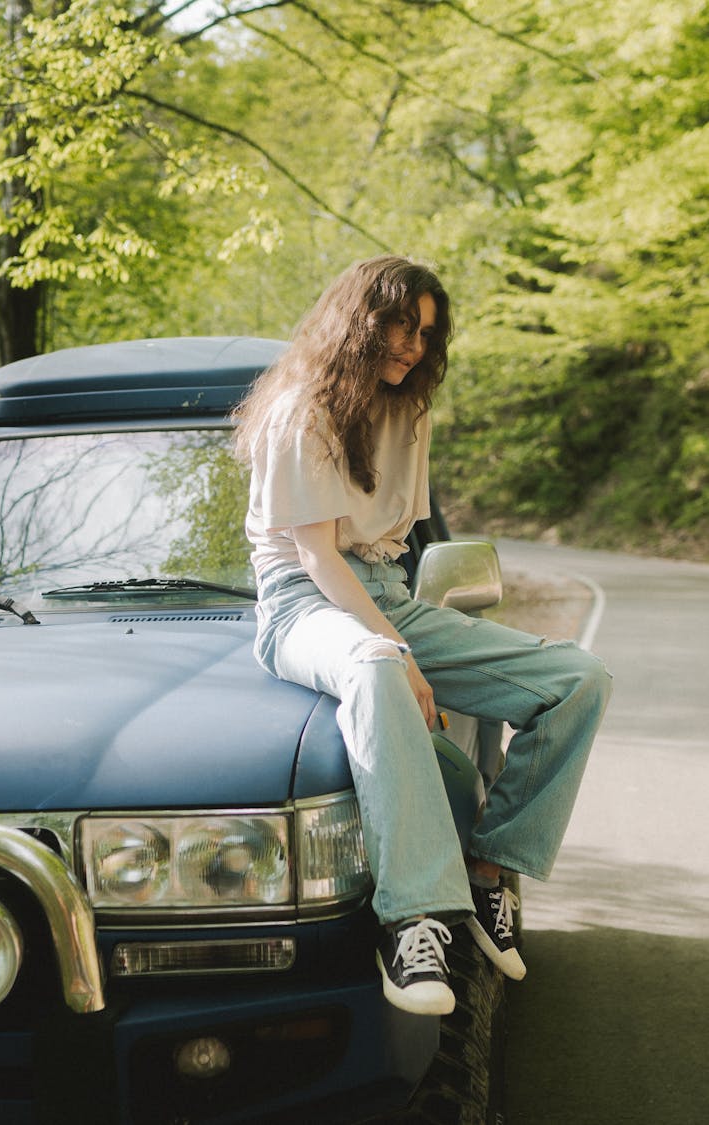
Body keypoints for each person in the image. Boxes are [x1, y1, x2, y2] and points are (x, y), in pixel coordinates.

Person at [233, 255, 612, 1018]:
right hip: (304, 605)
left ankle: (489, 865)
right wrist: (398, 654)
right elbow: (316, 556)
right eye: (401, 326)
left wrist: (401, 635)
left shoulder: (409, 409)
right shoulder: (298, 409)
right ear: (361, 321)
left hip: (389, 598)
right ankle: (414, 920)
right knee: (375, 666)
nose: (412, 346)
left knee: (578, 679)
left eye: (426, 333)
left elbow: (393, 552)